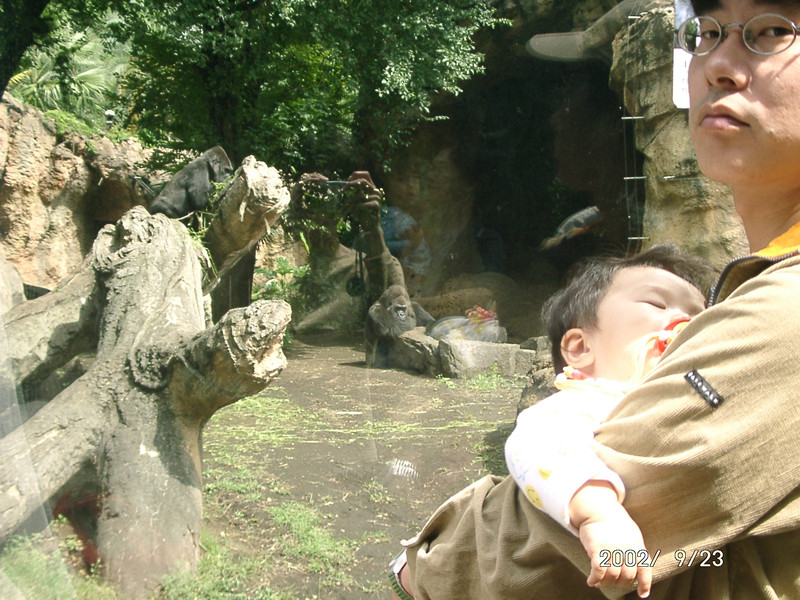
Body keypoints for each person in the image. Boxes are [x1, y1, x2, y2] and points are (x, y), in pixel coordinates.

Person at [391, 1, 800, 598]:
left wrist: (426, 562)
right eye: (707, 33)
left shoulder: (782, 313)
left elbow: (597, 544)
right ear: (577, 346)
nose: (718, 64)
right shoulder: (577, 400)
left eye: (773, 31)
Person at [505, 245, 709, 599]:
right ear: (580, 348)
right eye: (657, 304)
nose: (687, 322)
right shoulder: (586, 402)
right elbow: (539, 445)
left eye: (701, 318)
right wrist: (599, 515)